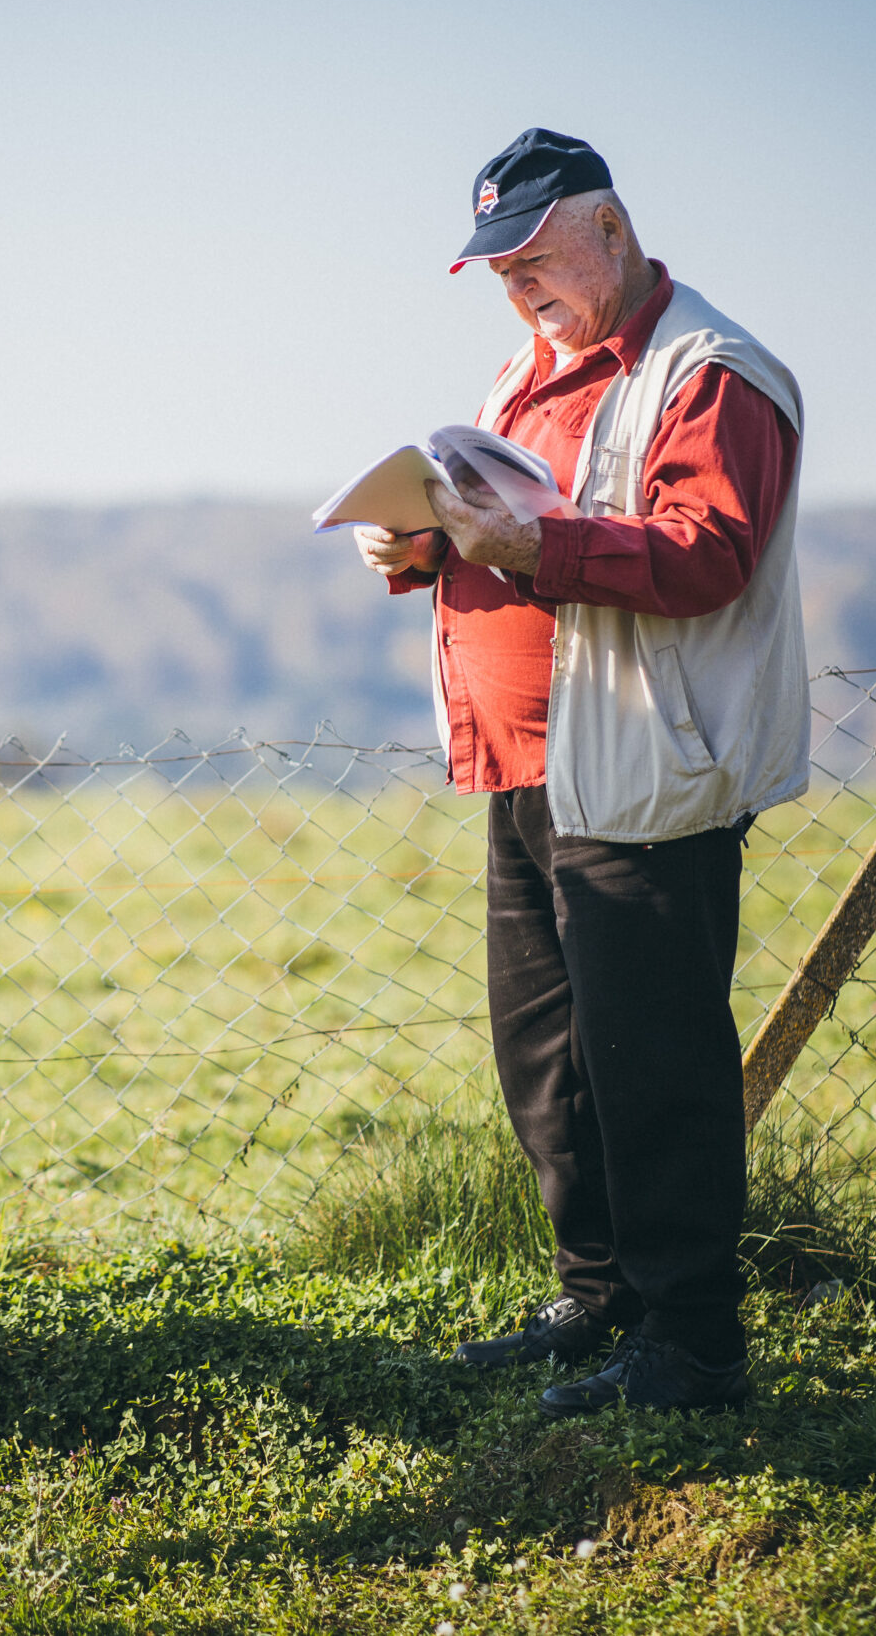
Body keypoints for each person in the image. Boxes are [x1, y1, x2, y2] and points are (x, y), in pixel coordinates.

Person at [356, 128, 806, 1416]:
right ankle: (598, 1297)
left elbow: (703, 553)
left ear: (609, 226)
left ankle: (694, 1347)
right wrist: (425, 549)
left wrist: (532, 549)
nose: (520, 290)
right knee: (548, 1053)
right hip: (523, 765)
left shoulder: (713, 373)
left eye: (536, 260)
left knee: (651, 1059)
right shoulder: (525, 367)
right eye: (499, 271)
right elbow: (503, 528)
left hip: (639, 761)